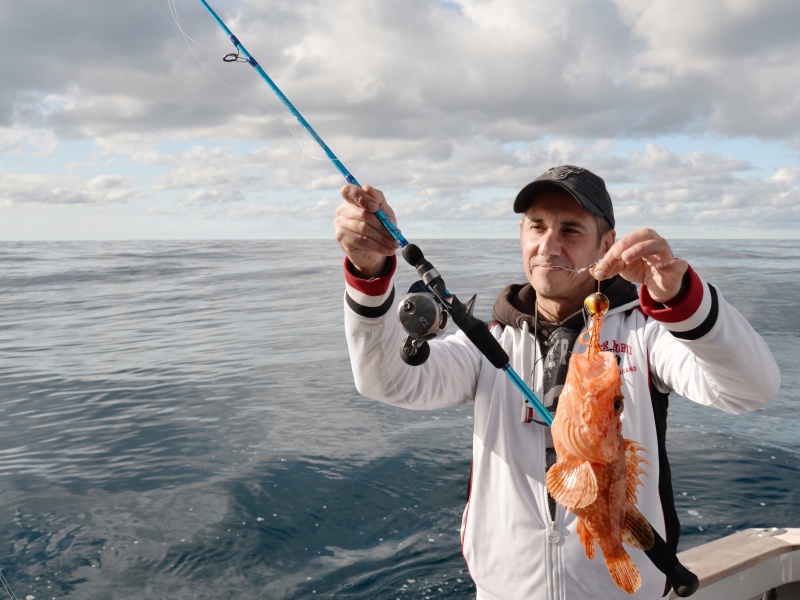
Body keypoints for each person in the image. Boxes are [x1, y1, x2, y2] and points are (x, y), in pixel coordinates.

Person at [333, 165, 780, 599]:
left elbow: (751, 388)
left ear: (606, 245)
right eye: (536, 226)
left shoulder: (646, 336)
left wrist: (682, 301)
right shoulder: (487, 342)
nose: (548, 245)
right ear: (521, 236)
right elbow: (384, 380)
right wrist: (369, 273)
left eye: (570, 230)